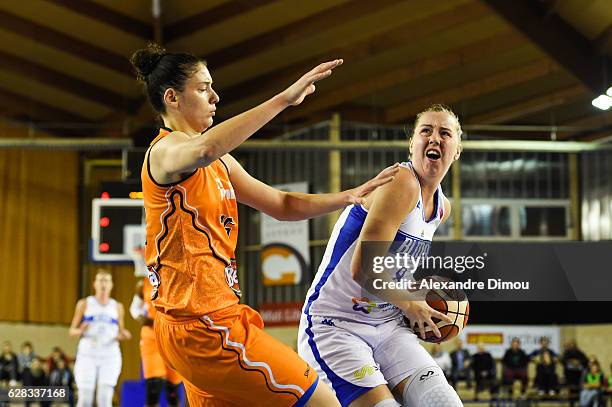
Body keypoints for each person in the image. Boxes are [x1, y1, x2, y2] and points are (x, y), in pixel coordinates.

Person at [132, 42, 398, 407]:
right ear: (172, 98)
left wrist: (348, 196)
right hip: (206, 327)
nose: (215, 96)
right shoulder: (166, 151)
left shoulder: (220, 163)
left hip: (203, 326)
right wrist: (284, 99)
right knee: (325, 403)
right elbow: (204, 149)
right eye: (203, 87)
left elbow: (282, 204)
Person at [297, 104, 463, 407]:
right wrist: (411, 305)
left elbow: (396, 267)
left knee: (444, 403)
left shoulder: (442, 208)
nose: (435, 138)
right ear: (412, 144)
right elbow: (364, 269)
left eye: (444, 133)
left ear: (457, 150)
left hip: (388, 325)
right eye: (425, 131)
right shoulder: (402, 181)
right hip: (336, 324)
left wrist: (420, 297)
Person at [69, 268, 131, 407]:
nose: (103, 284)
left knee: (104, 399)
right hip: (88, 353)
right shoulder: (85, 303)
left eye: (106, 281)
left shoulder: (117, 306)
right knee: (85, 398)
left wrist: (123, 335)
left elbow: (121, 331)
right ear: (94, 284)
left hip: (109, 354)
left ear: (111, 285)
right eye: (100, 280)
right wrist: (79, 330)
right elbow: (71, 331)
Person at [130, 278, 182, 407]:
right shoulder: (144, 283)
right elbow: (134, 308)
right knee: (154, 385)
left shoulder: (177, 279)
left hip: (172, 337)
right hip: (151, 337)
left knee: (173, 389)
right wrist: (141, 317)